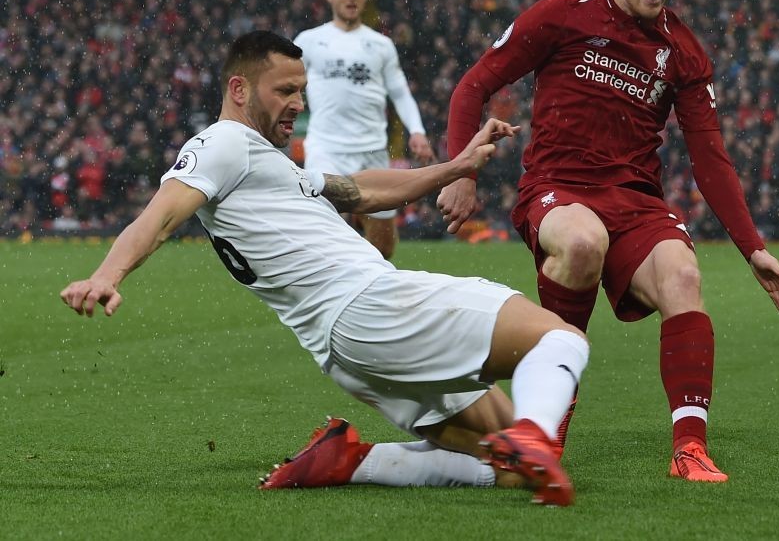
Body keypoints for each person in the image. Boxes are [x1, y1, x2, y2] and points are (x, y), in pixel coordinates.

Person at [60, 31, 589, 506]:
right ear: (239, 89)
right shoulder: (221, 143)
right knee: (560, 342)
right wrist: (107, 275)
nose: (297, 104)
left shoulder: (267, 163)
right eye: (284, 91)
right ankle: (535, 436)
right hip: (372, 305)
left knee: (507, 470)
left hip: (343, 347)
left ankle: (355, 462)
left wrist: (452, 168)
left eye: (301, 91)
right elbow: (159, 216)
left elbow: (360, 190)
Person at [438, 0, 779, 483]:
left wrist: (751, 246)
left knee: (682, 274)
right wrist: (460, 171)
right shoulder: (564, 13)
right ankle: (548, 429)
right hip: (557, 188)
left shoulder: (682, 51)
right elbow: (475, 84)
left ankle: (690, 451)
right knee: (582, 243)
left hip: (633, 198)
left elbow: (710, 155)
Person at [294, 0, 434, 260]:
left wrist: (417, 131)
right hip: (326, 148)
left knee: (383, 248)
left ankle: (368, 291)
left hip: (371, 151)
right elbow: (287, 84)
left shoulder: (380, 45)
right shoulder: (308, 41)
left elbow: (399, 92)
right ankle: (331, 295)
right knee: (326, 232)